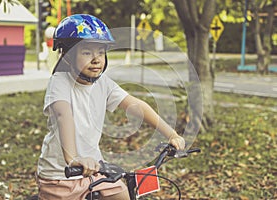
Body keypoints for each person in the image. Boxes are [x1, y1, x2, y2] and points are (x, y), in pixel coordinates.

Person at [36, 14, 185, 200]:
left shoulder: (103, 83)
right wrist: (73, 158)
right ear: (66, 56)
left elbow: (136, 105)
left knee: (123, 194)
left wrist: (171, 134)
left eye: (100, 52)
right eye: (86, 52)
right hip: (61, 176)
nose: (96, 59)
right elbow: (63, 115)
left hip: (95, 171)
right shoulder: (60, 82)